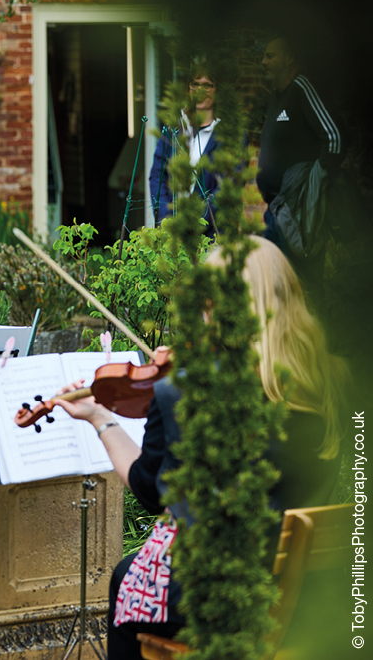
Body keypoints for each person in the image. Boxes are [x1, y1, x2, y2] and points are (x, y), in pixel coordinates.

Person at [51, 236, 346, 659]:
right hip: (300, 595)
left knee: (125, 576)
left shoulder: (183, 393)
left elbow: (150, 492)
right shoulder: (330, 382)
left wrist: (102, 419)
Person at [257, 38, 344, 257]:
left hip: (297, 213)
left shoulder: (302, 89)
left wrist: (314, 185)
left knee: (303, 282)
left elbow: (335, 137)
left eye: (270, 56)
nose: (263, 61)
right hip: (275, 210)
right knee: (279, 282)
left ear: (290, 58)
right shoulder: (277, 98)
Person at [148, 73, 222, 237]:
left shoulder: (227, 133)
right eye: (195, 84)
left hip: (209, 237)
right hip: (171, 234)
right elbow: (157, 176)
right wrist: (166, 219)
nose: (200, 91)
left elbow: (226, 187)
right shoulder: (176, 126)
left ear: (218, 90)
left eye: (207, 85)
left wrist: (193, 223)